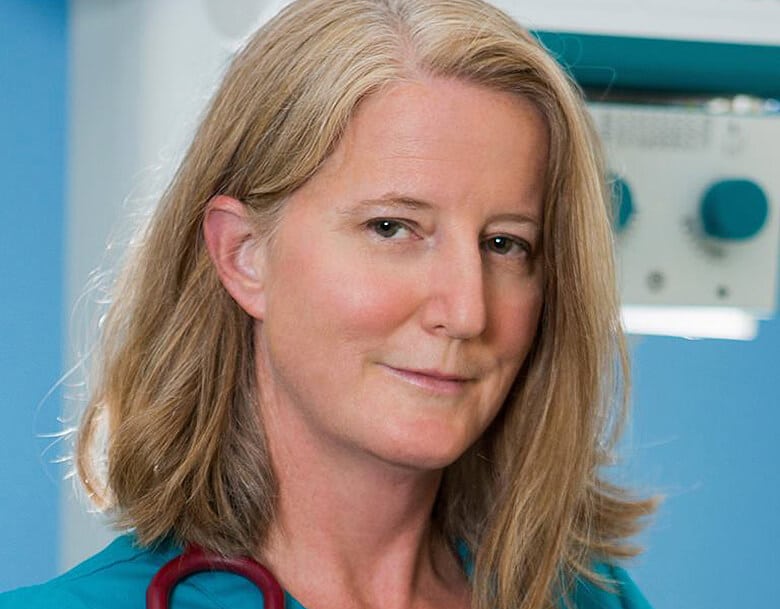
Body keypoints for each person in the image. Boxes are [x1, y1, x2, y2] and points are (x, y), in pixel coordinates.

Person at [0, 0, 657, 608]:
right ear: (243, 255)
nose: (466, 311)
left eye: (506, 243)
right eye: (392, 228)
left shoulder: (591, 597)